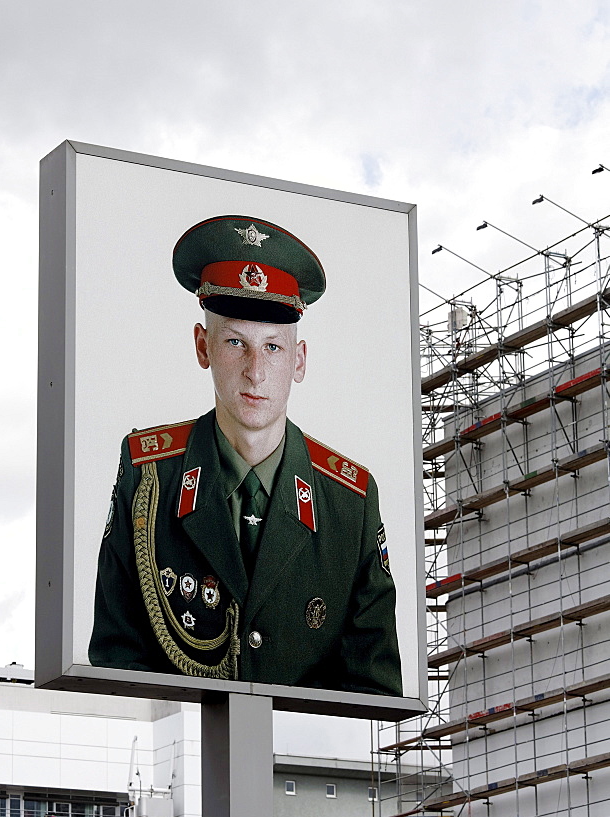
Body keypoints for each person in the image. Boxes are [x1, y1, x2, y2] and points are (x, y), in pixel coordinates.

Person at [89, 215, 402, 696]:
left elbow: (374, 694)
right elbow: (117, 669)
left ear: (299, 361)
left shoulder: (350, 503)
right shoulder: (148, 477)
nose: (256, 372)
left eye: (273, 347)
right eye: (236, 342)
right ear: (203, 346)